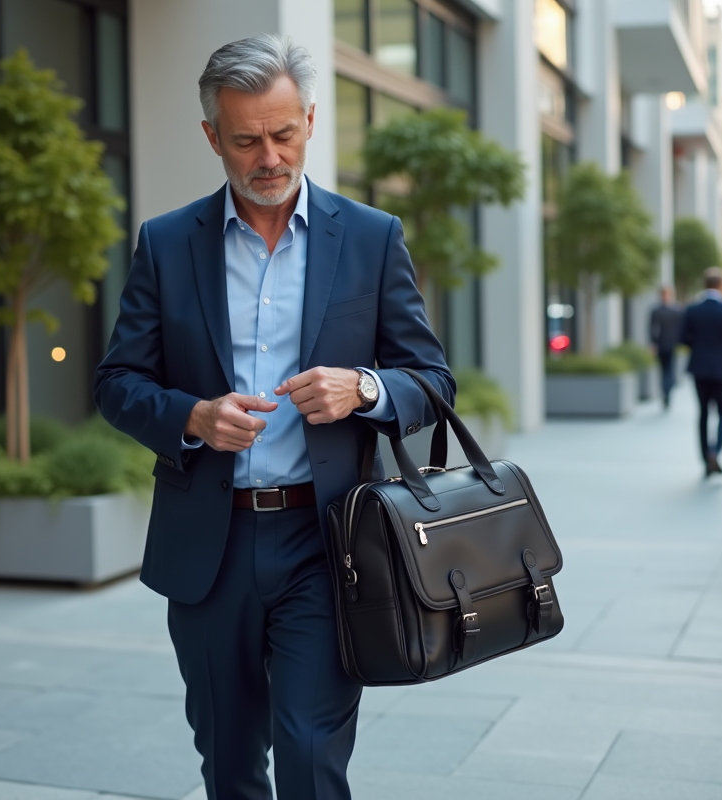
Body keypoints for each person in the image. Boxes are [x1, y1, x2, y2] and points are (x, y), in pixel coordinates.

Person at [93, 35, 453, 800]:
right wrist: (192, 416)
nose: (269, 156)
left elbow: (433, 380)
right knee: (227, 761)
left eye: (284, 134)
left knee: (310, 755)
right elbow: (117, 383)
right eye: (247, 139)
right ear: (211, 137)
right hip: (209, 548)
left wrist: (364, 388)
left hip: (327, 544)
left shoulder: (370, 236)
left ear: (311, 122)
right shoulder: (165, 244)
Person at [680, 267, 722, 477]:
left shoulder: (692, 310)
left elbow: (683, 338)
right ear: (721, 285)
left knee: (703, 414)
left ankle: (706, 457)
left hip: (699, 369)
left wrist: (699, 349)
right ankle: (716, 452)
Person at [649, 285, 683, 408]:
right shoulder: (670, 310)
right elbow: (652, 328)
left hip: (668, 344)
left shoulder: (673, 310)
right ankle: (666, 391)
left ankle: (666, 391)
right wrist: (653, 343)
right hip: (663, 344)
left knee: (667, 370)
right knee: (666, 370)